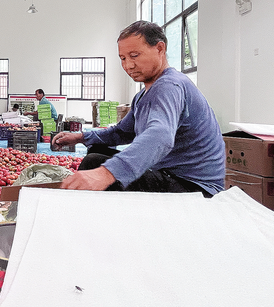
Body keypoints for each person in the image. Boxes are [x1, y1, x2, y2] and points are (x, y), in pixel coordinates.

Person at [51, 21, 225, 196]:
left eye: (134, 55)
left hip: (193, 186)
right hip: (168, 173)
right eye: (123, 58)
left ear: (160, 49)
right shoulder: (143, 95)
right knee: (97, 151)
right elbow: (121, 132)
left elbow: (161, 135)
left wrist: (106, 173)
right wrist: (81, 137)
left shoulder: (169, 86)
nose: (128, 65)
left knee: (94, 163)